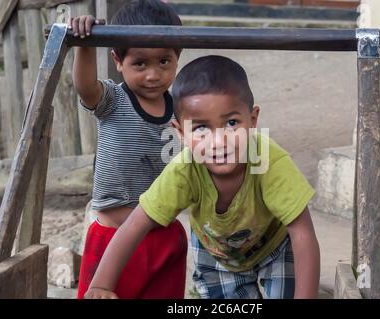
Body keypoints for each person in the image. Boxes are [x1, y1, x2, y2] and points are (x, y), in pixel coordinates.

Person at [84, 55, 320, 299]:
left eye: (231, 123)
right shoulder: (184, 170)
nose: (219, 142)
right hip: (217, 256)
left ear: (252, 120)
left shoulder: (268, 161)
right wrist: (101, 284)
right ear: (180, 132)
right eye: (201, 128)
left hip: (274, 249)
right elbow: (136, 224)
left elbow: (302, 233)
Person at [71, 0, 187, 299]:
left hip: (165, 235)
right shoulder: (113, 100)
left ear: (177, 58)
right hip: (110, 237)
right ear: (118, 60)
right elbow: (85, 87)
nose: (152, 75)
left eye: (164, 61)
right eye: (140, 63)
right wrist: (85, 43)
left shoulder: (182, 111)